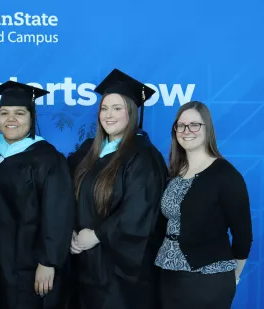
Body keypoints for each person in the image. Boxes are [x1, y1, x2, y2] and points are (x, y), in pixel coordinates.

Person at [67, 69, 168, 309]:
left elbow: (139, 209)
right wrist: (70, 231)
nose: (108, 115)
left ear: (131, 113)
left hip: (121, 276)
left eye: (117, 108)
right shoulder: (88, 152)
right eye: (104, 108)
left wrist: (97, 235)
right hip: (86, 265)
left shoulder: (143, 156)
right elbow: (69, 195)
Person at [0, 81, 75, 309]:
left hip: (29, 263)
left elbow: (58, 213)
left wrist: (48, 262)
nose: (11, 119)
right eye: (4, 113)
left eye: (19, 113)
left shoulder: (48, 159)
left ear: (31, 117)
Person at [155, 101, 253, 309]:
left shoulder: (226, 175)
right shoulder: (175, 174)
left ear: (207, 129)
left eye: (194, 125)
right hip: (168, 276)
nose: (186, 131)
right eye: (181, 125)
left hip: (208, 279)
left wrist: (233, 276)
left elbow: (243, 235)